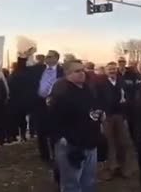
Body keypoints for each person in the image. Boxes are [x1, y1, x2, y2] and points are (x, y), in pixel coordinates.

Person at [49, 60, 104, 192]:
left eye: (83, 70)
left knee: (88, 181)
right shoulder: (61, 93)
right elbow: (51, 120)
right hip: (71, 145)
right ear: (67, 73)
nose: (82, 74)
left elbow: (92, 109)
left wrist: (99, 116)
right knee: (71, 184)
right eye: (77, 71)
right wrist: (61, 139)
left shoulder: (88, 89)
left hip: (90, 143)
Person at [17, 48, 64, 163]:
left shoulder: (62, 71)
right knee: (41, 131)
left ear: (56, 59)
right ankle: (45, 157)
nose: (46, 58)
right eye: (46, 56)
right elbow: (22, 70)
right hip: (39, 104)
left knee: (56, 131)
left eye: (49, 56)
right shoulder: (38, 69)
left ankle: (57, 154)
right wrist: (23, 57)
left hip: (56, 105)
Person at [96, 62, 134, 179]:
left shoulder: (122, 81)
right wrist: (101, 113)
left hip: (120, 115)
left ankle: (123, 167)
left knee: (123, 142)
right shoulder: (100, 83)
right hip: (107, 116)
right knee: (109, 142)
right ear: (106, 70)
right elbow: (96, 99)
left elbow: (129, 96)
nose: (112, 71)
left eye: (113, 69)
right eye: (109, 69)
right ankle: (110, 168)